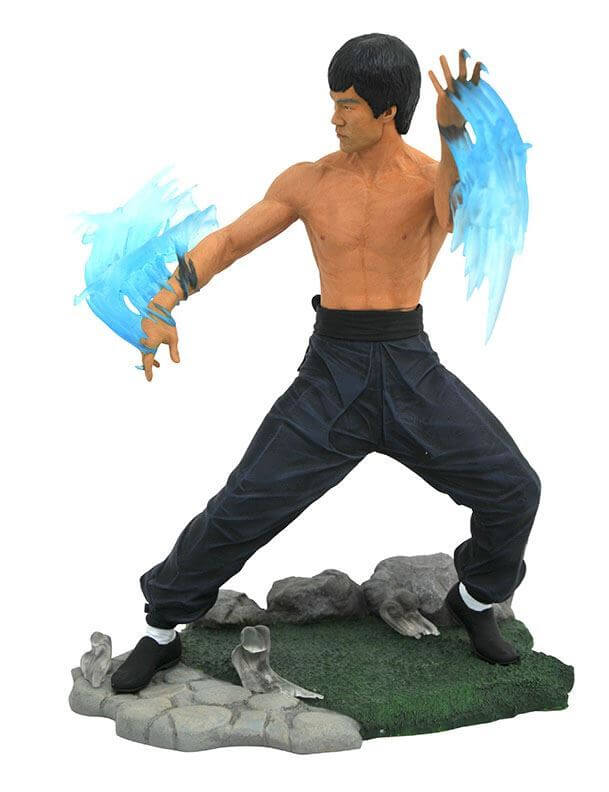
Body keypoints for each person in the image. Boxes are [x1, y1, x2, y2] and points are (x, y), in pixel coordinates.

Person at [110, 34, 541, 693]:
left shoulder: (428, 178)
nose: (333, 117)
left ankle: (475, 600)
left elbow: (453, 208)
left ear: (387, 112)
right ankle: (162, 629)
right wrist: (165, 300)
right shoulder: (308, 180)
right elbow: (230, 241)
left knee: (513, 487)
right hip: (332, 374)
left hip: (408, 369)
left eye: (347, 105)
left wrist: (454, 134)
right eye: (333, 102)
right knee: (242, 505)